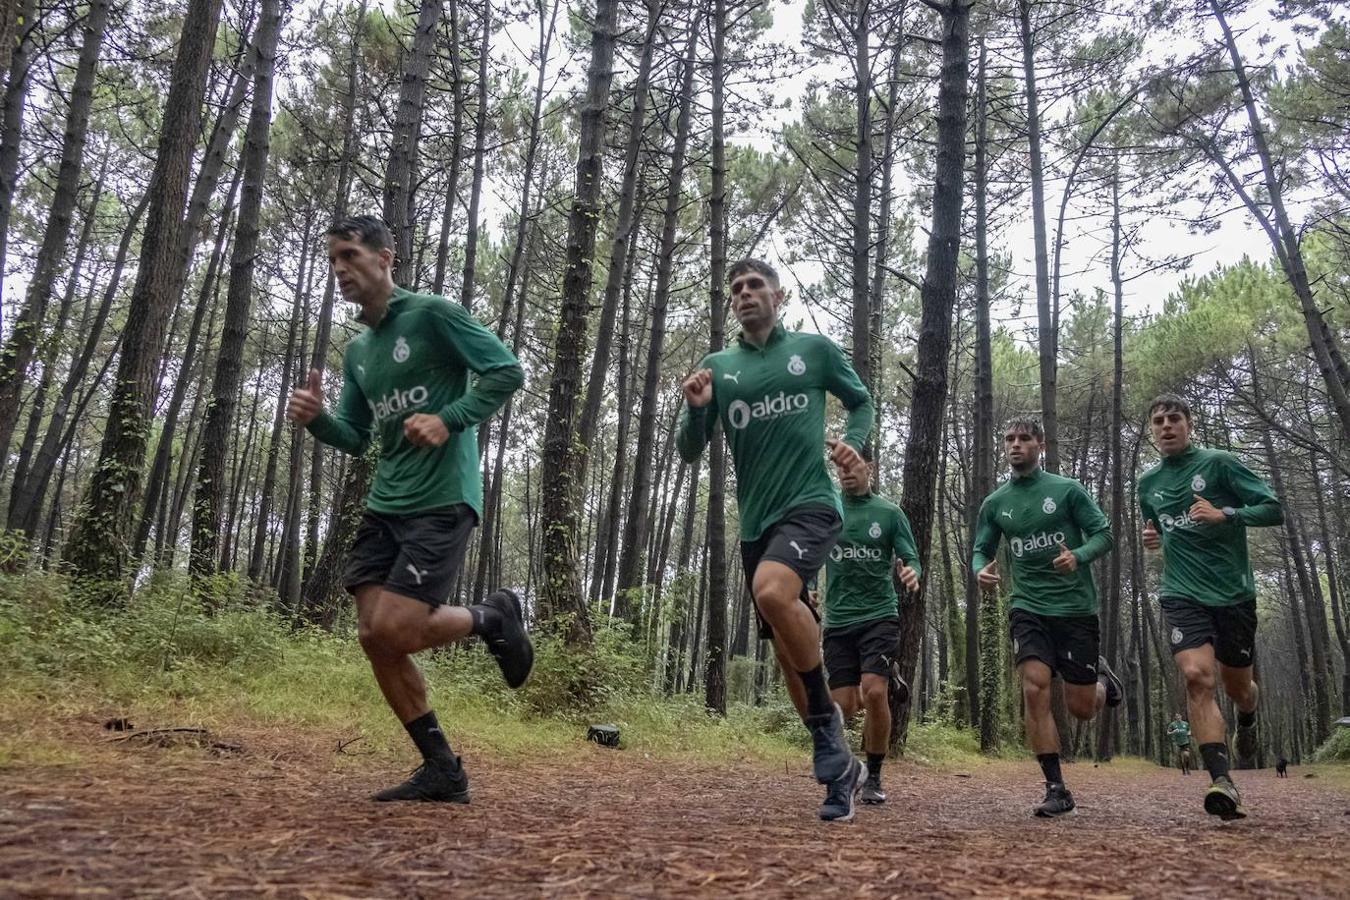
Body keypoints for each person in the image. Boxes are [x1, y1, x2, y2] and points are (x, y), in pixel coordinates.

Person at [287, 215, 531, 803]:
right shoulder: (360, 350)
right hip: (385, 503)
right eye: (333, 262)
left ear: (385, 258)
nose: (340, 270)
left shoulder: (433, 315)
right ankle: (442, 769)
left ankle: (492, 618)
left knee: (396, 625)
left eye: (349, 256)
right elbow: (356, 435)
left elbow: (506, 371)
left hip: (443, 499)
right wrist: (318, 419)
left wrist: (448, 419)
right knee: (376, 637)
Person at [676, 258, 874, 822]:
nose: (744, 294)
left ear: (778, 295)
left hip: (812, 504)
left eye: (755, 285)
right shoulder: (719, 366)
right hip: (756, 523)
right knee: (789, 654)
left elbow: (860, 400)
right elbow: (689, 449)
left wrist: (855, 444)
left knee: (770, 591)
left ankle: (827, 734)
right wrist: (694, 412)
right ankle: (839, 769)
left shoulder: (813, 351)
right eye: (735, 288)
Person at [1139, 393, 1283, 820]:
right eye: (1159, 421)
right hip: (1181, 591)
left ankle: (1249, 714)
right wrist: (1154, 541)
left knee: (1239, 687)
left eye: (1174, 419)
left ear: (1189, 424)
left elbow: (1272, 509)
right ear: (1151, 431)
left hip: (1233, 593)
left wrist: (1227, 513)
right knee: (1196, 677)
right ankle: (1222, 780)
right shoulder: (1147, 484)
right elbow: (1160, 529)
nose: (1166, 426)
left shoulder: (1219, 463)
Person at [971, 418, 1123, 818]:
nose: (1015, 445)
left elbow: (1103, 534)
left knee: (1082, 708)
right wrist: (980, 570)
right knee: (1034, 687)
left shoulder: (1067, 490)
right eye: (1009, 439)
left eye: (1024, 439)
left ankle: (1103, 683)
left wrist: (1079, 556)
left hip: (1074, 609)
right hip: (1027, 606)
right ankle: (1056, 787)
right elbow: (980, 548)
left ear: (1040, 445)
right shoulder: (995, 503)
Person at [820, 449, 920, 806]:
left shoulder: (890, 514)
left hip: (879, 615)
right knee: (843, 706)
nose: (845, 472)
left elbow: (910, 556)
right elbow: (808, 553)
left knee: (875, 693)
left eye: (852, 465)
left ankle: (874, 775)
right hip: (839, 620)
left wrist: (911, 572)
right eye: (839, 467)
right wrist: (805, 590)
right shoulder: (828, 509)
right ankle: (851, 767)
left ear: (869, 468)